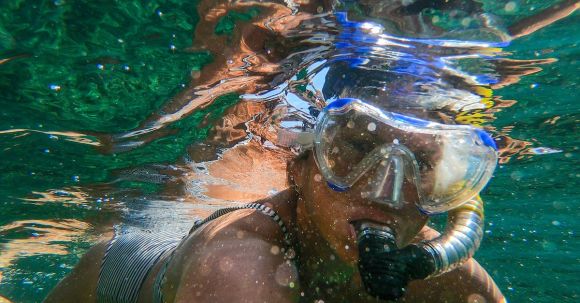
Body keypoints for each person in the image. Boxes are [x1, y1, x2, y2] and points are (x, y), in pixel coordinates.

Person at [45, 97, 505, 302]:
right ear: (298, 167)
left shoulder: (435, 266)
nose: (386, 191)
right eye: (358, 151)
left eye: (421, 164)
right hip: (129, 267)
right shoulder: (237, 261)